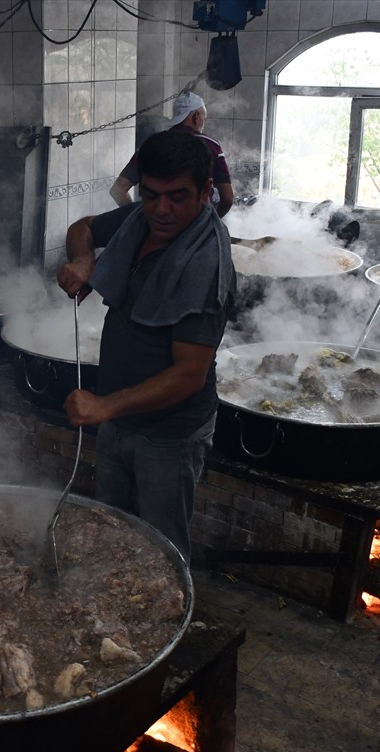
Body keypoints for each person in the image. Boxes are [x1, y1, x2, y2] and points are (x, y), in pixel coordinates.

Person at [57, 129, 235, 561]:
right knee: (111, 529)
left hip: (168, 435)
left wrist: (102, 408)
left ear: (206, 191)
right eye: (152, 195)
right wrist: (85, 260)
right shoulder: (140, 220)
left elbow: (188, 375)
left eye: (177, 196)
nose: (162, 210)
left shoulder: (204, 263)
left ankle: (170, 621)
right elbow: (82, 228)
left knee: (161, 549)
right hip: (120, 413)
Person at [109, 91, 234, 218]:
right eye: (204, 118)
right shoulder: (211, 145)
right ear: (196, 116)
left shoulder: (151, 144)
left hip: (158, 227)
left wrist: (137, 219)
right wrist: (212, 222)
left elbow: (118, 189)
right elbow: (228, 199)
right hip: (197, 227)